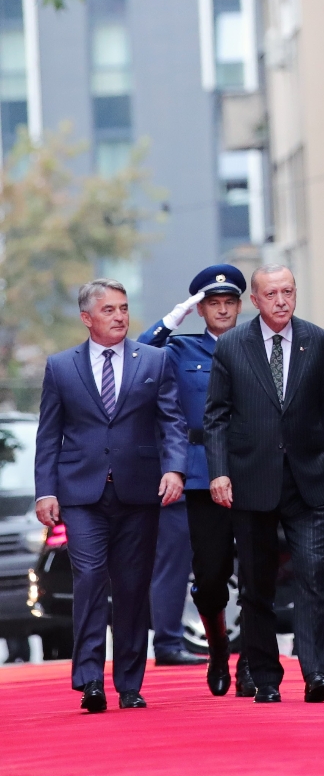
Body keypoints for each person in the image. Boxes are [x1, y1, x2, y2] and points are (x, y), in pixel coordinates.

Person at [33, 278, 188, 711]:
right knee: (89, 579)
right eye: (109, 310)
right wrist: (46, 492)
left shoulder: (155, 361)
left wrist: (175, 469)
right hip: (82, 494)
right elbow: (49, 437)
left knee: (133, 587)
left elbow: (172, 422)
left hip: (140, 492)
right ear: (87, 318)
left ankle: (130, 684)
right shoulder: (61, 367)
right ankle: (89, 680)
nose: (119, 316)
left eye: (123, 308)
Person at [203, 264, 324, 704]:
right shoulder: (232, 346)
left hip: (308, 480)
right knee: (256, 586)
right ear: (256, 300)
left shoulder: (317, 340)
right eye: (272, 294)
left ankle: (315, 672)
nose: (281, 301)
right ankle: (265, 677)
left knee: (313, 577)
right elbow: (216, 416)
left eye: (288, 291)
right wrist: (219, 471)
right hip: (251, 480)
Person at [139, 264, 254, 695]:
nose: (222, 310)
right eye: (213, 303)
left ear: (240, 306)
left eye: (229, 302)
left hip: (251, 470)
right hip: (202, 473)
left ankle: (250, 659)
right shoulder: (182, 350)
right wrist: (173, 318)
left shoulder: (256, 347)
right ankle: (220, 647)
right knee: (209, 575)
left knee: (257, 574)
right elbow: (137, 354)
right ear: (201, 309)